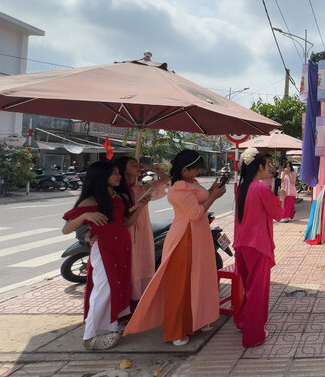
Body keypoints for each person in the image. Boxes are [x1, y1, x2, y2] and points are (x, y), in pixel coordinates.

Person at [124, 149, 226, 346]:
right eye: (195, 168)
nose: (198, 171)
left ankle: (197, 320)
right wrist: (214, 197)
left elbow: (201, 201)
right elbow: (195, 213)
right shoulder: (178, 188)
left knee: (198, 280)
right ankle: (176, 330)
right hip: (184, 238)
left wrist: (213, 190)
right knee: (180, 285)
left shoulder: (191, 183)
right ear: (185, 169)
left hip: (198, 236)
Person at [61, 161, 148, 350]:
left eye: (118, 172)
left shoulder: (117, 197)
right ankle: (89, 336)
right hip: (105, 250)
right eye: (115, 173)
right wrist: (85, 217)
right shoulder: (91, 201)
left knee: (118, 286)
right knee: (104, 289)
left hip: (122, 247)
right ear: (102, 176)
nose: (118, 176)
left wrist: (140, 206)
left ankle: (111, 324)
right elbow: (66, 229)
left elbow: (126, 223)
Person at [234, 147, 284, 347]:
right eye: (267, 165)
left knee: (250, 288)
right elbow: (278, 214)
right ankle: (253, 335)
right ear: (260, 166)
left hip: (243, 245)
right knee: (257, 291)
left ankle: (244, 321)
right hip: (257, 246)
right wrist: (281, 197)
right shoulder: (261, 188)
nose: (269, 168)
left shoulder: (242, 188)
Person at [114, 157, 170, 307]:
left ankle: (142, 300)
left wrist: (151, 167)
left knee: (143, 262)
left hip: (143, 232)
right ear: (123, 169)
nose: (137, 167)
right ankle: (128, 302)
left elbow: (166, 179)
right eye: (132, 165)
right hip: (126, 233)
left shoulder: (142, 189)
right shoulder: (117, 192)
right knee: (130, 265)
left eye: (137, 164)